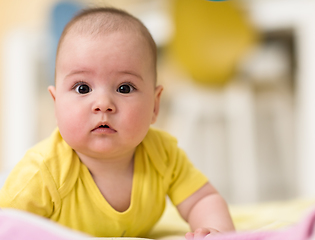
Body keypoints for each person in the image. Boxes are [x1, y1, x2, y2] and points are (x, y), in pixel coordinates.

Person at [0, 7, 235, 239]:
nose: (103, 103)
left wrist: (215, 231)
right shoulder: (42, 172)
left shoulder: (163, 155)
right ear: (56, 104)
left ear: (154, 105)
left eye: (125, 88)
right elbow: (8, 224)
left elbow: (201, 199)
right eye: (83, 88)